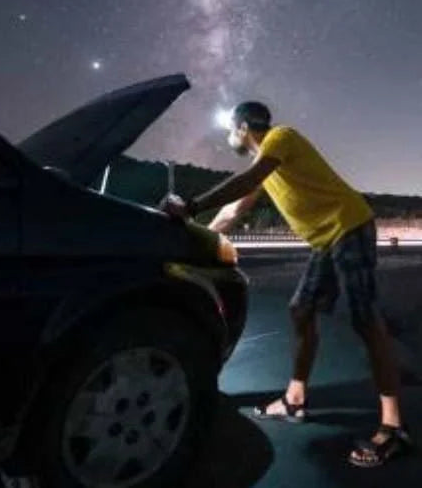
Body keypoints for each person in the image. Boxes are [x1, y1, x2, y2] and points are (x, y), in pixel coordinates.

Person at [162, 101, 413, 467]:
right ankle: (295, 400)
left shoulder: (280, 138)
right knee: (301, 309)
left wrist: (192, 204)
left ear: (244, 127)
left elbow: (247, 180)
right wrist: (191, 236)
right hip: (326, 240)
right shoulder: (265, 164)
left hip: (350, 226)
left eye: (232, 129)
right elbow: (235, 209)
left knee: (364, 318)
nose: (230, 136)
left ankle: (395, 428)